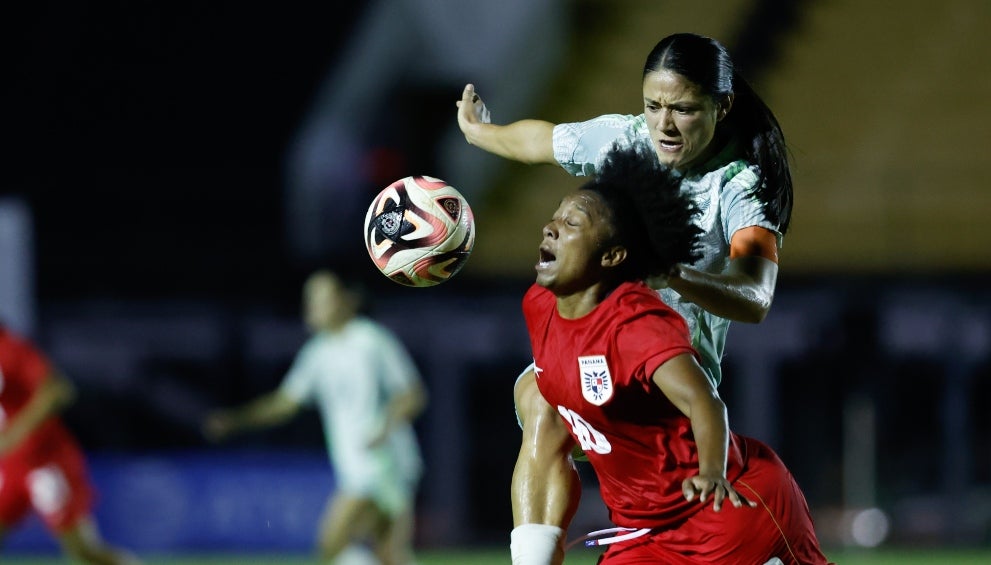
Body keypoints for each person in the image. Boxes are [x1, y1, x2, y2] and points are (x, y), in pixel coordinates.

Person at [509, 145, 831, 564]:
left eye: (572, 222)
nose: (551, 227)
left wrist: (712, 473)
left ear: (612, 256)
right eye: (556, 215)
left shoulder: (635, 324)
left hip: (721, 510)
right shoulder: (539, 304)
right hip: (642, 530)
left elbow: (704, 401)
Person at [457, 32, 792, 389]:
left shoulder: (741, 187)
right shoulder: (624, 139)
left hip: (666, 381)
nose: (664, 124)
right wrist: (477, 131)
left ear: (721, 106)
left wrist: (673, 276)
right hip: (597, 350)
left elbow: (755, 297)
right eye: (653, 106)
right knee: (535, 396)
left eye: (682, 109)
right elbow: (540, 141)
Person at [203, 271, 427, 565]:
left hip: (383, 463)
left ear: (347, 301)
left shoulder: (371, 340)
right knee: (388, 555)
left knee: (331, 545)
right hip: (356, 466)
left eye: (321, 299)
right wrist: (234, 420)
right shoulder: (317, 354)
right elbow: (284, 404)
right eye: (309, 300)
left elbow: (412, 394)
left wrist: (385, 427)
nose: (311, 307)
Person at [0, 324, 143, 564]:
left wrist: (13, 435)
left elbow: (58, 390)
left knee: (84, 551)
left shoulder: (10, 348)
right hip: (9, 465)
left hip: (44, 460)